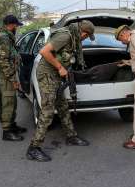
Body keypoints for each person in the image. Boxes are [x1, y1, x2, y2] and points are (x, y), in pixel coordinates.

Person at [26, 20, 95, 162]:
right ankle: (33, 148)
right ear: (83, 33)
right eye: (87, 36)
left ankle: (71, 136)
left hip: (55, 76)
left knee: (63, 107)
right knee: (47, 111)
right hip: (47, 75)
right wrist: (60, 67)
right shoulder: (66, 36)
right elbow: (44, 51)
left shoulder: (74, 38)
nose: (86, 39)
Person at [0, 15, 26, 141]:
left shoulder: (0, 35)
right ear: (11, 24)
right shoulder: (4, 38)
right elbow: (3, 61)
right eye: (16, 25)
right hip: (5, 75)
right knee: (8, 102)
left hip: (3, 74)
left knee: (10, 101)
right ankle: (7, 131)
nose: (17, 27)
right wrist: (13, 79)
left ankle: (12, 125)